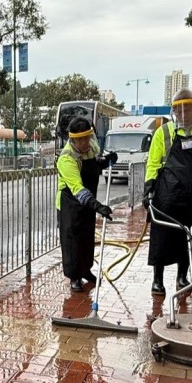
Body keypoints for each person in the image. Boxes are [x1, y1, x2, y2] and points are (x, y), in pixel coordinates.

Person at [142, 89, 192, 298]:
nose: (183, 112)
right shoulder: (164, 132)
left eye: (188, 107)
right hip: (168, 194)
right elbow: (153, 162)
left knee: (189, 235)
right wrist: (148, 186)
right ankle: (157, 280)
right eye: (179, 109)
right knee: (162, 236)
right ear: (174, 111)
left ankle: (182, 276)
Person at [56, 117, 116, 292]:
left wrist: (106, 161)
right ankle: (74, 276)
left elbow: (96, 164)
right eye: (79, 139)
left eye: (87, 137)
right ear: (72, 139)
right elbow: (78, 189)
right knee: (73, 240)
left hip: (88, 203)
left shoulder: (92, 147)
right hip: (71, 203)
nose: (84, 143)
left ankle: (86, 270)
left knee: (87, 237)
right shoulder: (66, 158)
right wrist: (99, 206)